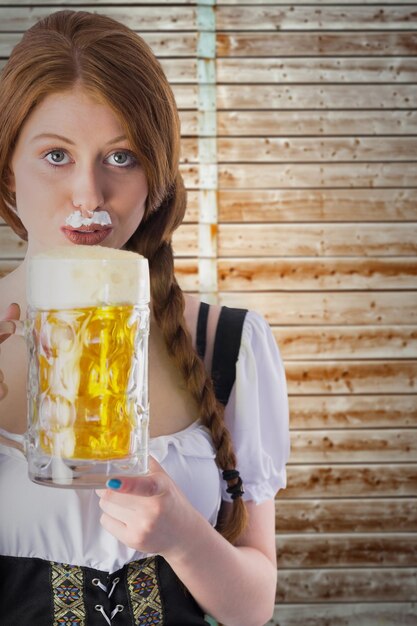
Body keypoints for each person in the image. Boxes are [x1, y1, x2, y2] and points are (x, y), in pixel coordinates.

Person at [0, 10, 290, 626]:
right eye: (56, 155)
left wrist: (185, 537)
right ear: (8, 168)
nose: (89, 195)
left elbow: (252, 608)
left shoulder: (226, 342)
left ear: (156, 174)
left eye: (122, 157)